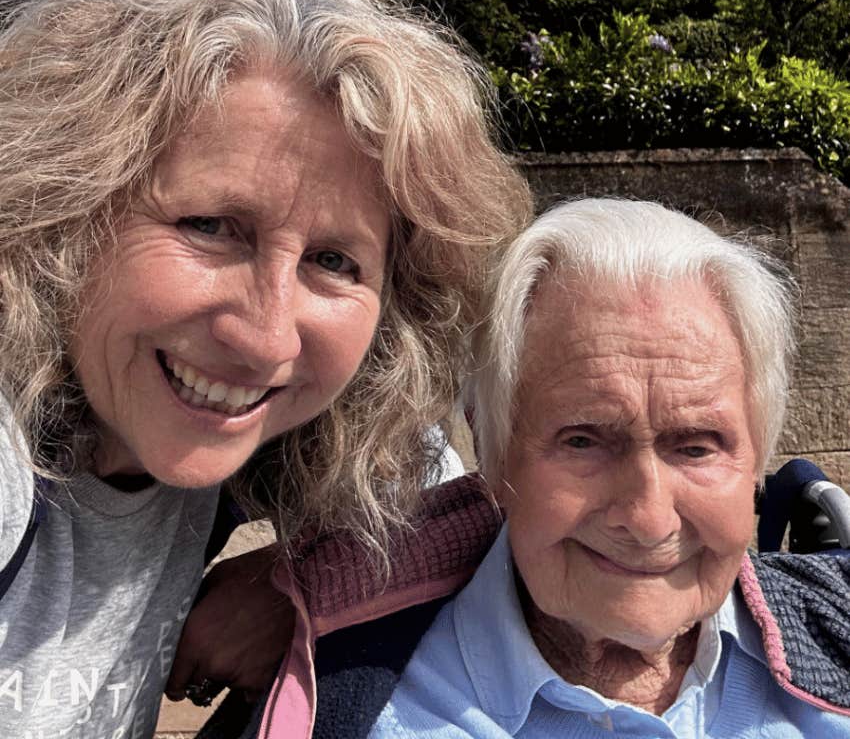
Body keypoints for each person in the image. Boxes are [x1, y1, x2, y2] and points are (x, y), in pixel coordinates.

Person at [0, 0, 531, 737]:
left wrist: (298, 584)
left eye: (333, 261)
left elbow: (464, 510)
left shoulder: (203, 419)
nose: (264, 337)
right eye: (210, 226)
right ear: (68, 209)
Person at [235, 199, 850, 739]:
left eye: (696, 447)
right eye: (583, 441)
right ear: (493, 452)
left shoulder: (832, 638)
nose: (647, 519)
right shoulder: (341, 697)